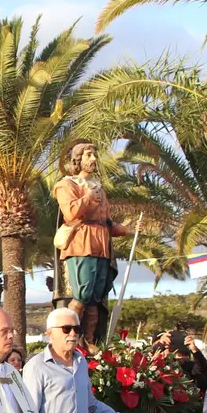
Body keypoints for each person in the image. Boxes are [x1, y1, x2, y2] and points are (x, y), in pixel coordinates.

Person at [52, 141, 132, 345]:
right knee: (83, 292)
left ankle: (90, 341)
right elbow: (70, 212)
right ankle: (68, 335)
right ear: (77, 160)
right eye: (89, 155)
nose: (94, 159)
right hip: (81, 243)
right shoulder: (66, 185)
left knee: (96, 296)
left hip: (101, 245)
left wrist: (127, 229)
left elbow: (106, 222)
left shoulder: (99, 189)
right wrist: (87, 197)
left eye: (94, 155)